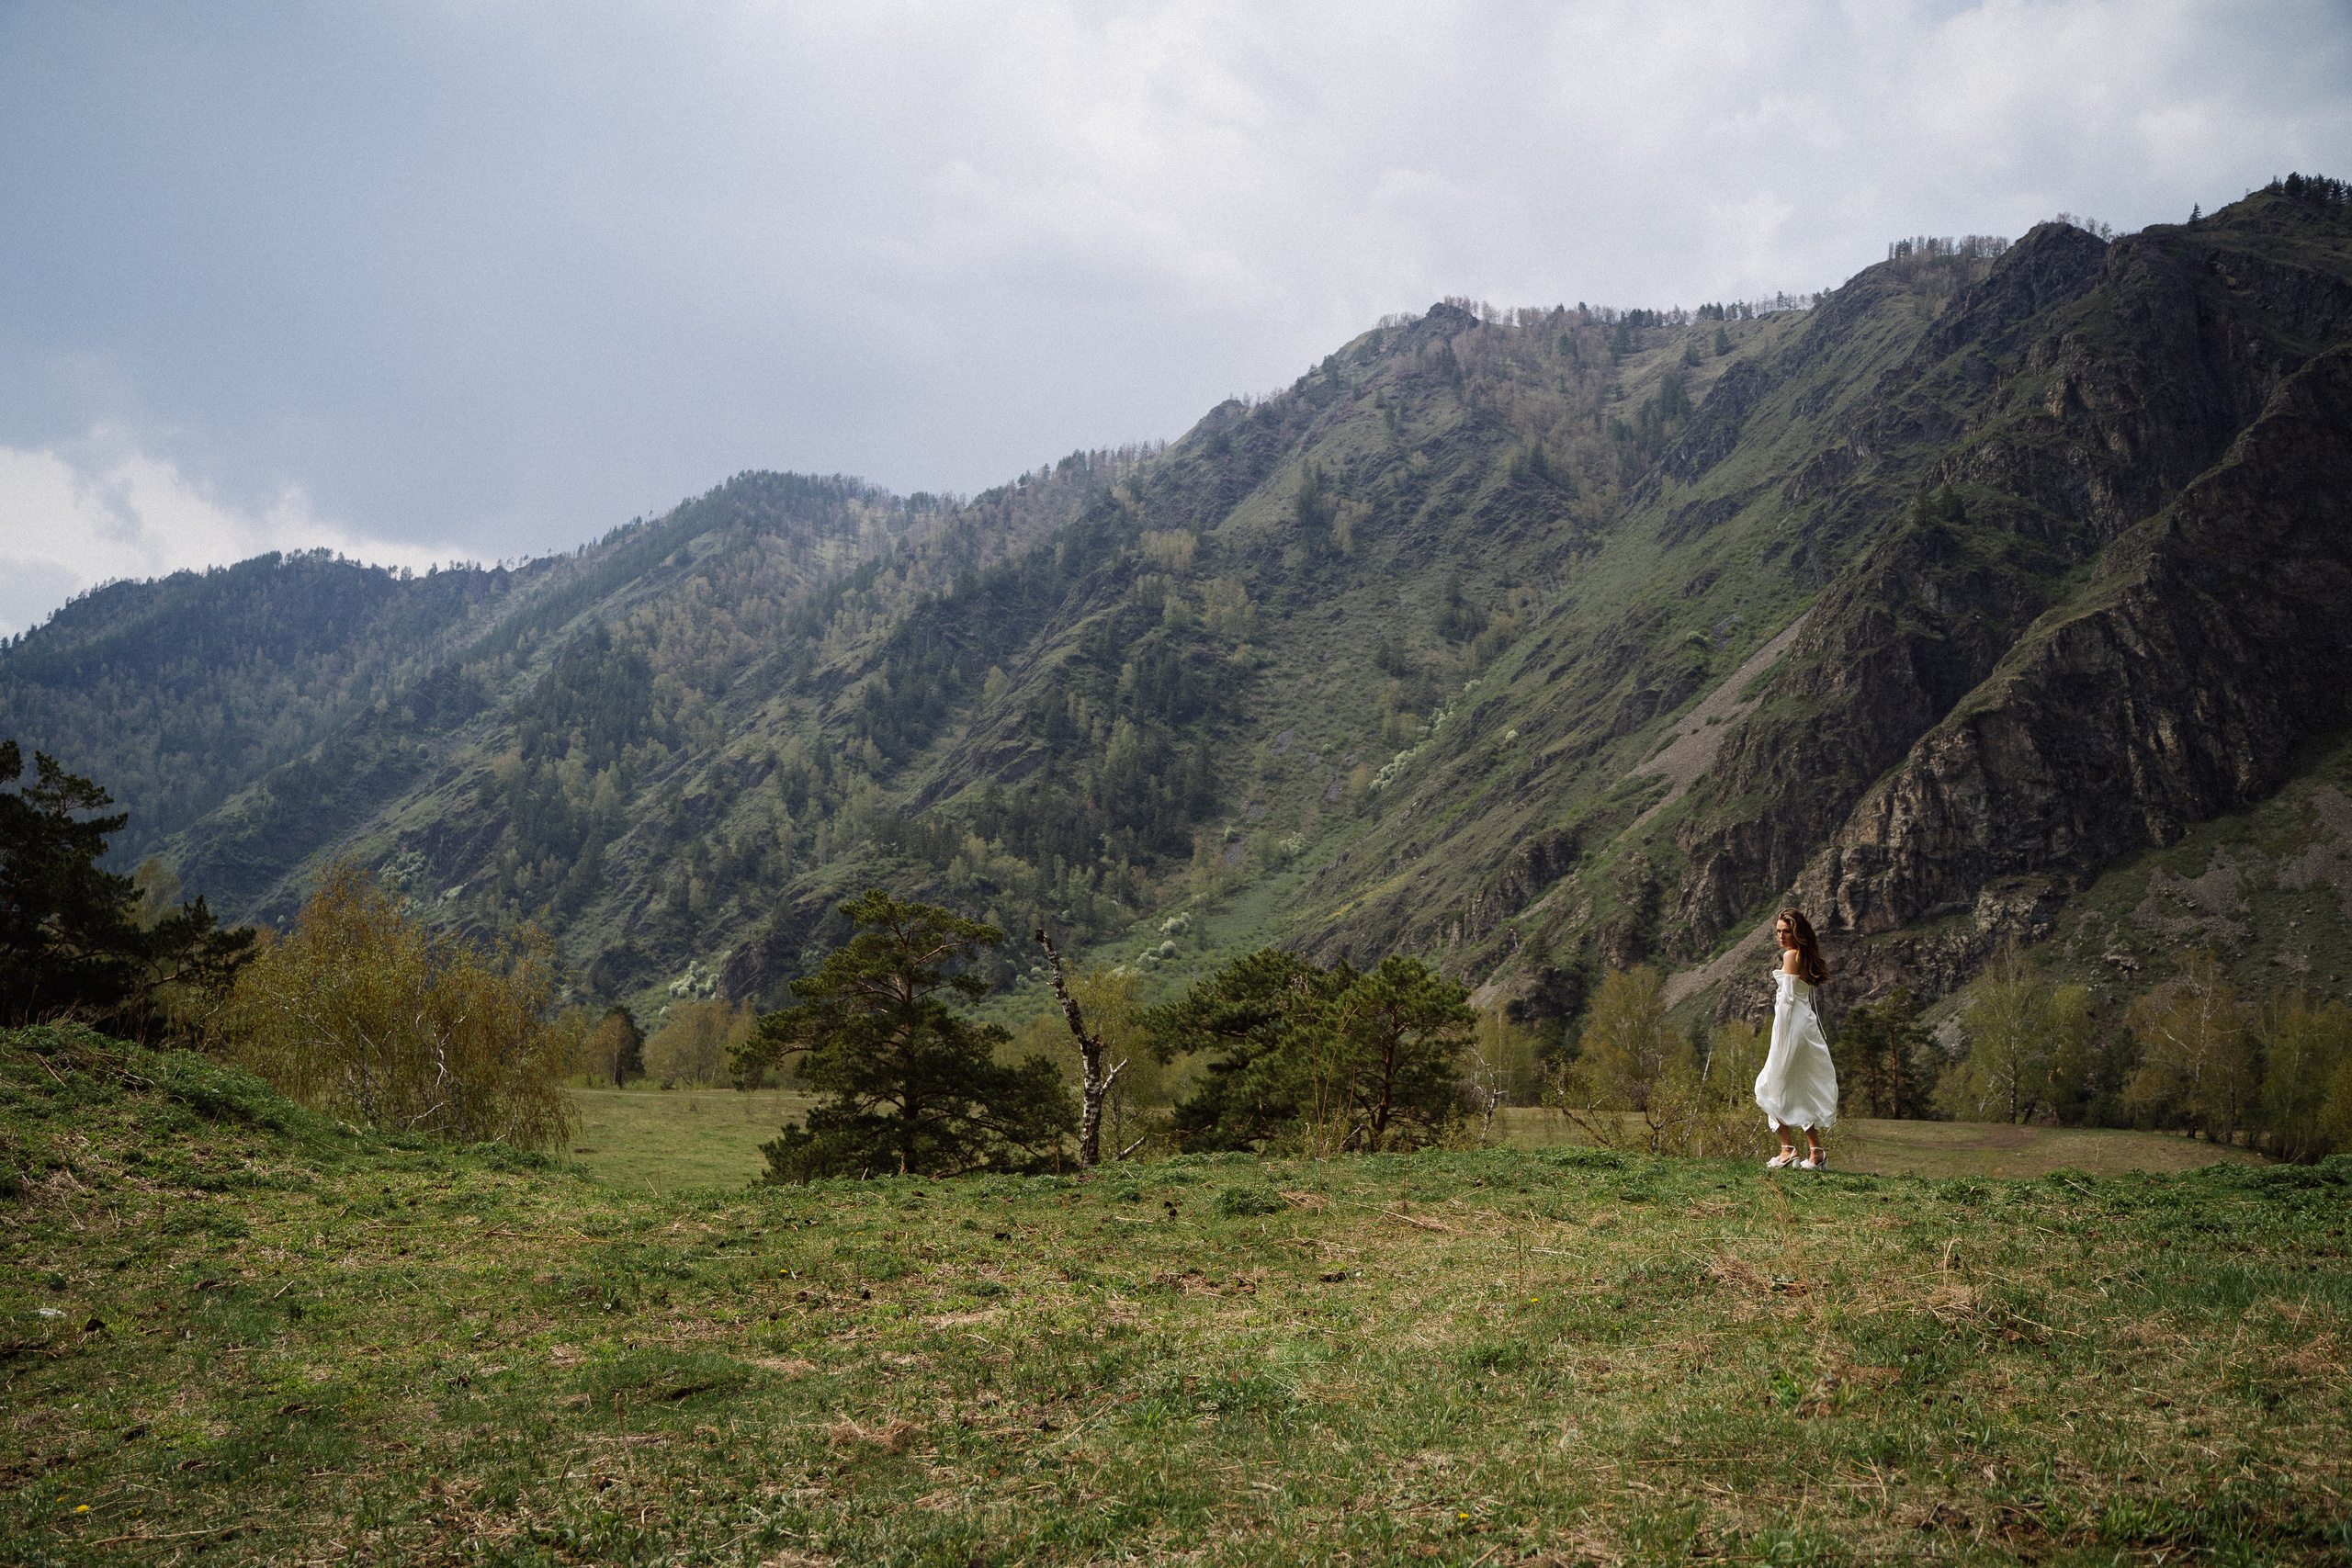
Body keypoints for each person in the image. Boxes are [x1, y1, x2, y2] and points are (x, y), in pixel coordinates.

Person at [1755, 906, 1837, 1170]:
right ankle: (1816, 1152)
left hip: (1791, 1025)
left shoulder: (1791, 956)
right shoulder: (1805, 955)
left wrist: (1779, 1038)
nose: (1781, 937)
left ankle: (1787, 1149)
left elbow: (1788, 1000)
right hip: (1805, 1023)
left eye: (1786, 931)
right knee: (1798, 1086)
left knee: (1770, 1084)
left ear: (1796, 933)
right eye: (1778, 931)